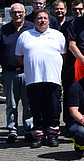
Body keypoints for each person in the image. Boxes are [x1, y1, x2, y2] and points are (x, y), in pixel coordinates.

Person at [15, 8, 67, 149]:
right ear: (34, 20)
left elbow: (63, 54)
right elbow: (19, 56)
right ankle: (38, 135)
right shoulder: (25, 36)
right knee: (36, 108)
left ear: (49, 20)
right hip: (33, 79)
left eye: (44, 18)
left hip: (53, 79)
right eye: (39, 18)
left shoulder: (58, 35)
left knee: (53, 108)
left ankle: (53, 135)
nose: (42, 21)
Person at [0, 3, 34, 143]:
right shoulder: (4, 30)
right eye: (14, 12)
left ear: (24, 13)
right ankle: (12, 130)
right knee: (11, 104)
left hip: (27, 72)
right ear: (10, 14)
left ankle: (28, 129)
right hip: (9, 72)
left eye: (20, 12)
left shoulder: (31, 28)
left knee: (28, 103)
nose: (17, 14)